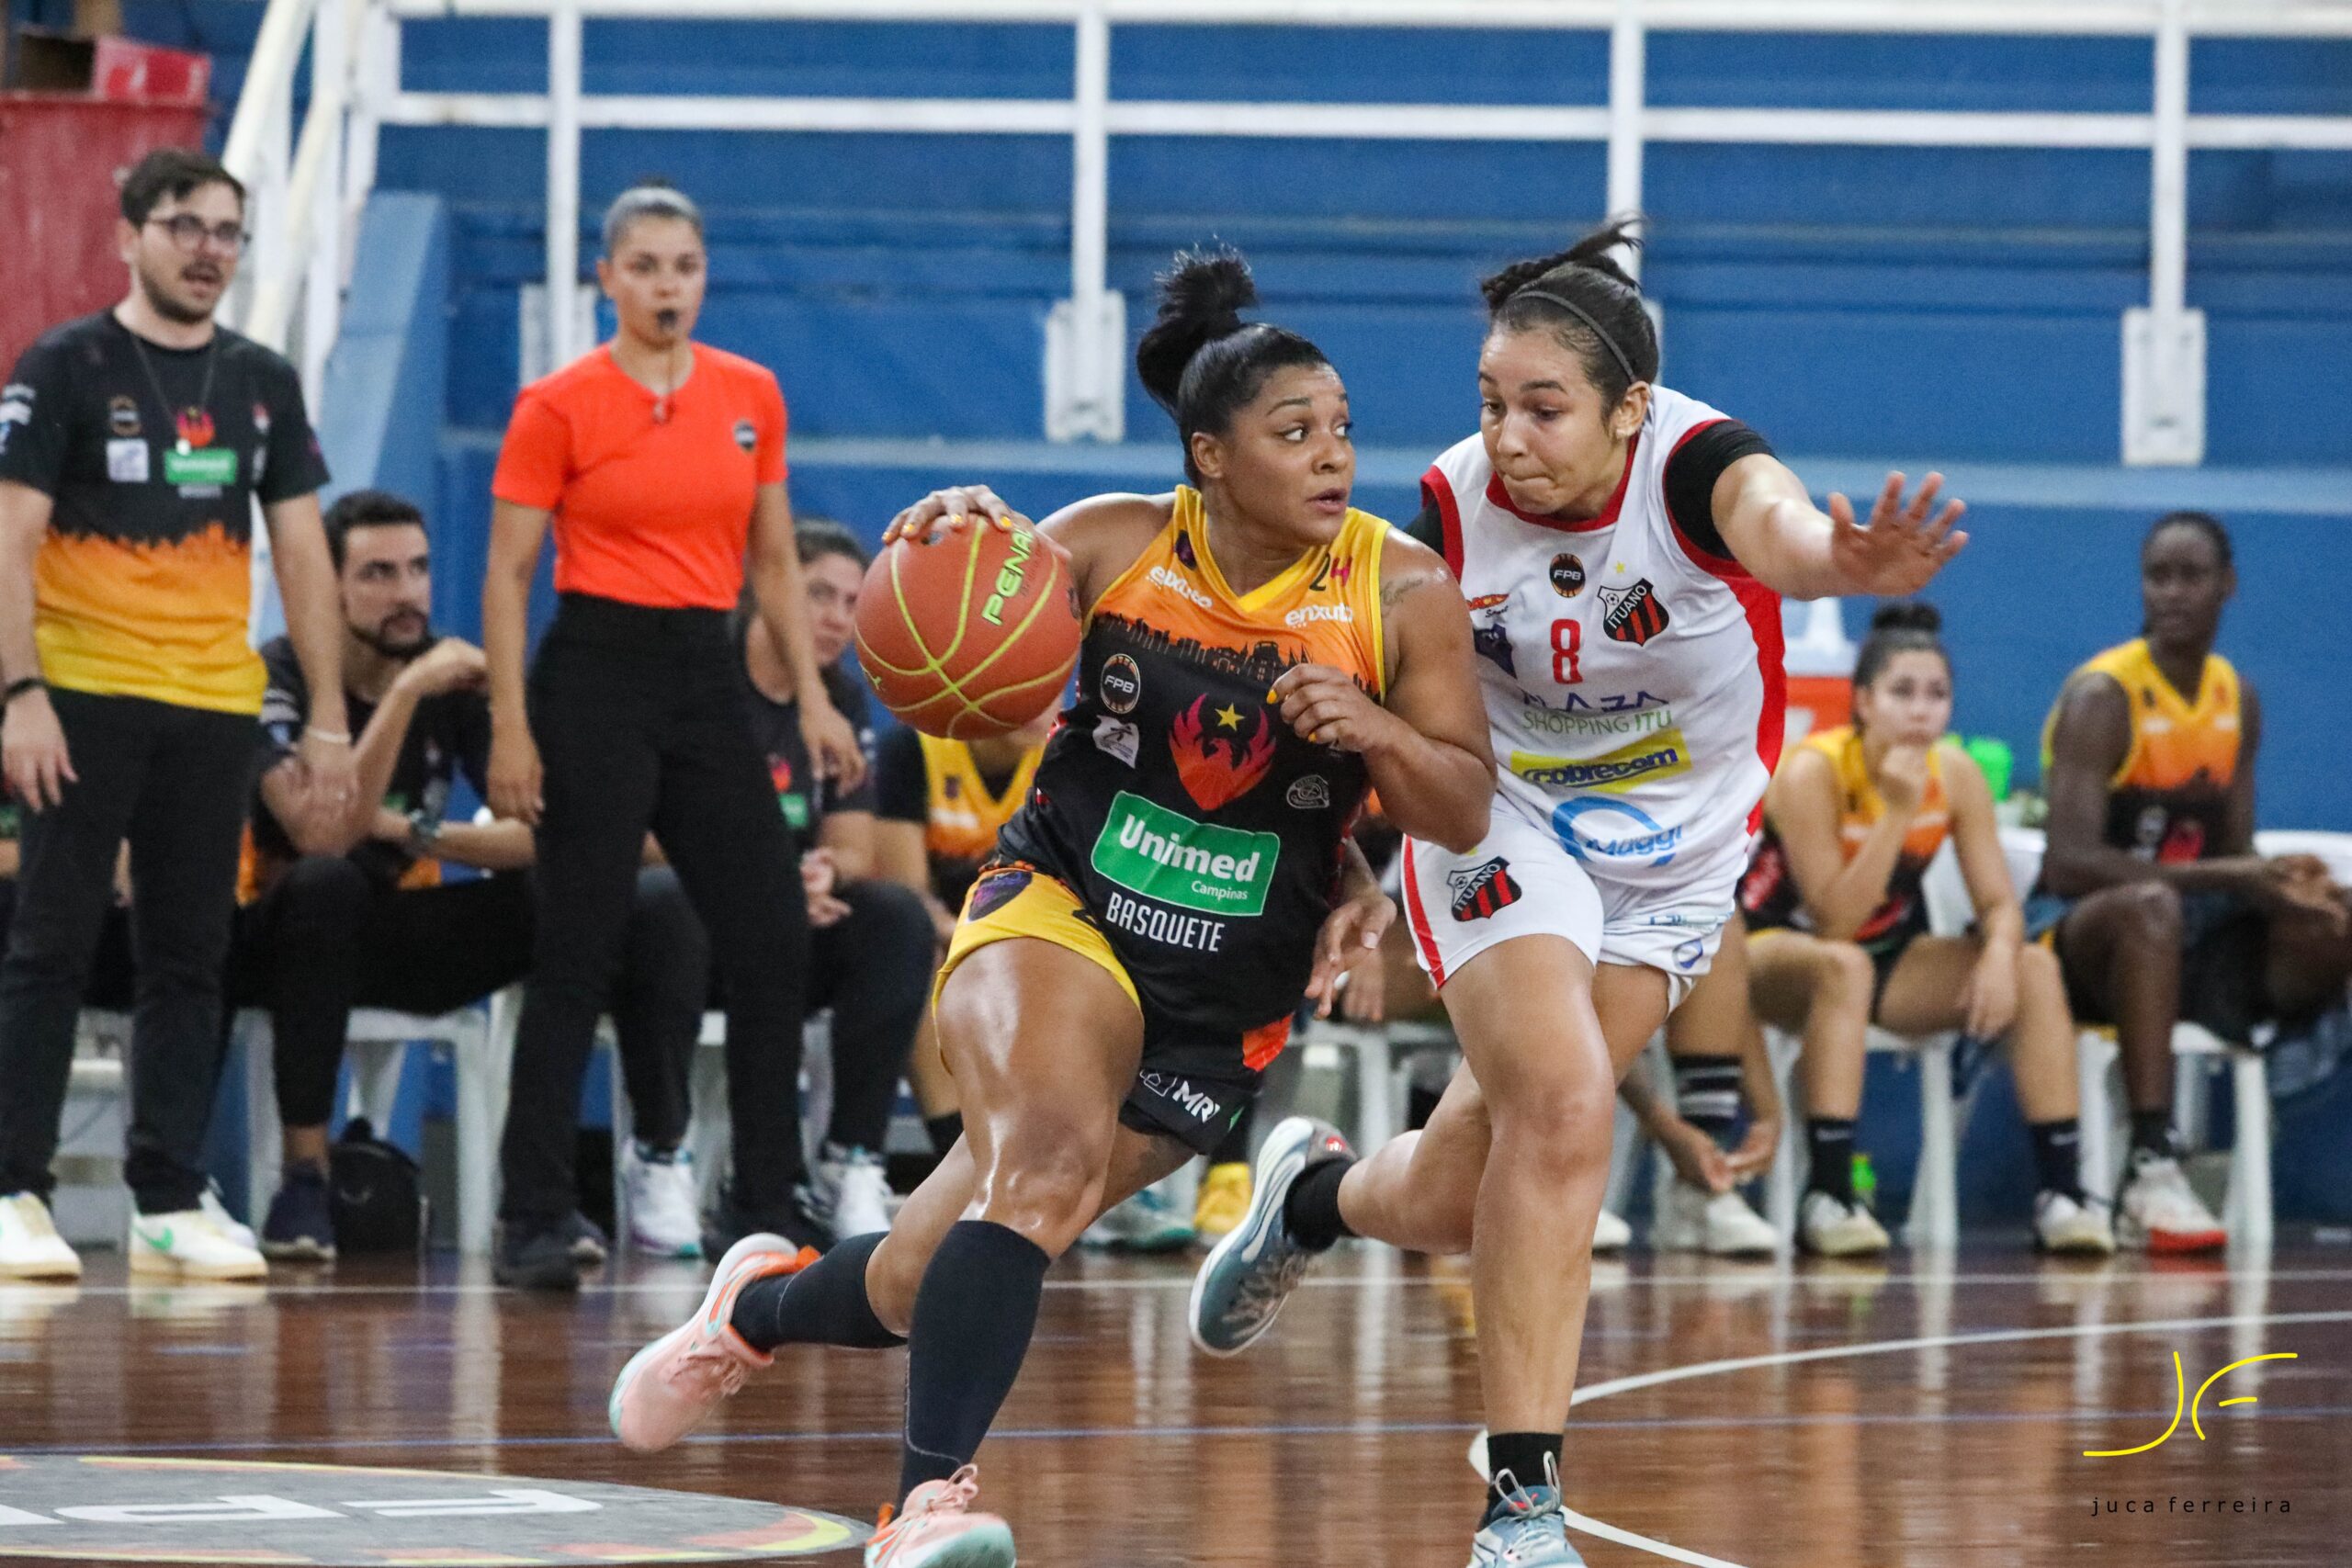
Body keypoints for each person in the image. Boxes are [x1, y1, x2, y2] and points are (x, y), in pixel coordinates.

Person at [605, 246, 1493, 1568]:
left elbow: (1465, 802)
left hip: (1221, 995)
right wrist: (957, 534)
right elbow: (972, 614)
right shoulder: (1112, 544)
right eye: (1293, 431)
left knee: (918, 1276)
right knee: (1045, 1167)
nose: (1332, 456)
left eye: (1343, 429)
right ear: (1207, 455)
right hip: (1060, 905)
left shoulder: (1403, 591)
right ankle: (924, 1506)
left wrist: (1372, 743)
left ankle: (759, 1306)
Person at [1187, 220, 1965, 1568]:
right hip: (1504, 815)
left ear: (1630, 411)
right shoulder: (1440, 510)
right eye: (1491, 401)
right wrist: (1353, 852)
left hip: (1672, 860)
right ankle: (1524, 1506)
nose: (1509, 434)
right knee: (1561, 1106)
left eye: (1544, 407)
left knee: (1457, 1186)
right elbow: (1281, 602)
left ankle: (1310, 1199)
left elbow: (1781, 531)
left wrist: (1847, 565)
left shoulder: (1701, 467)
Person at [481, 183, 860, 1288]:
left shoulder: (750, 394)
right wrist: (511, 724)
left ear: (703, 276)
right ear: (607, 279)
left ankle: (764, 1205)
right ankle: (533, 1214)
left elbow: (776, 563)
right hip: (592, 669)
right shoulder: (556, 405)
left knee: (770, 933)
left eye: (683, 266)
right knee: (578, 946)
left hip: (705, 672)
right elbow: (508, 574)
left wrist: (814, 698)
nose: (666, 287)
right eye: (644, 267)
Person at [0, 148, 353, 1282]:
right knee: (48, 948)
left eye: (227, 232)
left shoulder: (260, 377)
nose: (209, 250)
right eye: (185, 226)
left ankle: (167, 1195)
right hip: (82, 695)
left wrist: (330, 716)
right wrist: (19, 696)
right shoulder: (65, 363)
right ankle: (13, 1188)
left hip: (213, 704)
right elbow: (9, 537)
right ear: (129, 236)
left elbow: (302, 547)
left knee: (192, 955)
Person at [1740, 602, 2115, 1257]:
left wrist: (2000, 951)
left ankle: (2062, 1192)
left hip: (1886, 961)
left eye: (1937, 695)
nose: (1921, 711)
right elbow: (1835, 921)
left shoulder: (1956, 774)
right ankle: (1829, 1192)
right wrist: (1896, 816)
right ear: (1862, 701)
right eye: (1902, 692)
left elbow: (2000, 901)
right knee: (1844, 965)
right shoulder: (1812, 771)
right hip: (1773, 958)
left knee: (2034, 967)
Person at [2031, 512, 2350, 1251]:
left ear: (2226, 586)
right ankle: (2151, 1159)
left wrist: (2280, 884)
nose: (2171, 592)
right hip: (2084, 942)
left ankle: (2279, 1074)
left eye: (2191, 576)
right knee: (2150, 906)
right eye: (2157, 576)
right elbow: (2067, 861)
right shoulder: (2104, 696)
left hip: (2188, 937)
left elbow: (2233, 851)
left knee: (2337, 914)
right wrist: (2228, 872)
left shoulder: (2235, 697)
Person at [619, 519, 934, 1249]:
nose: (835, 617)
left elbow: (854, 848)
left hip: (791, 925)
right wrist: (754, 873)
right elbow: (630, 833)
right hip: (692, 933)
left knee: (894, 916)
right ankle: (661, 1153)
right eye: (817, 592)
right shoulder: (699, 679)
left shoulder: (841, 701)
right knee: (670, 908)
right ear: (766, 585)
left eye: (853, 602)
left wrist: (823, 871)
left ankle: (850, 1160)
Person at [872, 699, 1052, 1168]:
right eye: (1025, 687)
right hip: (945, 940)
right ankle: (960, 1158)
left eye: (1052, 685)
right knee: (917, 955)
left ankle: (1079, 1165)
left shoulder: (1060, 759)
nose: (1040, 704)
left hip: (1025, 940)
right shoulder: (914, 749)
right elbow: (907, 895)